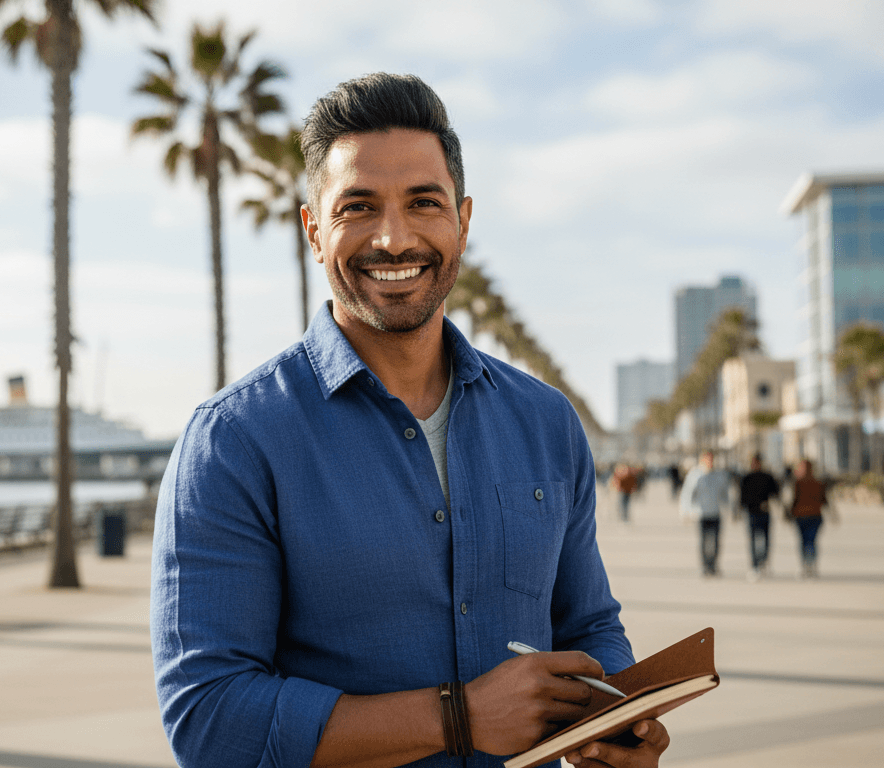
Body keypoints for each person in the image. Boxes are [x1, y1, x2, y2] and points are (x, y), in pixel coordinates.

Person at [151, 73, 669, 768]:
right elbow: (210, 720)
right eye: (357, 208)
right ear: (312, 231)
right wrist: (458, 717)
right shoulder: (233, 442)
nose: (394, 240)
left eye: (424, 203)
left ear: (463, 220)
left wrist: (617, 714)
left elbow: (587, 625)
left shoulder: (546, 422)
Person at [678, 451, 731, 577]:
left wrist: (730, 509)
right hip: (701, 514)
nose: (710, 462)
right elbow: (687, 494)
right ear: (702, 460)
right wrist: (685, 512)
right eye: (707, 459)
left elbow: (725, 494)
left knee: (716, 542)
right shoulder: (695, 475)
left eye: (711, 459)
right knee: (704, 541)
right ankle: (705, 566)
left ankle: (713, 565)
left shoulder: (719, 475)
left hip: (716, 513)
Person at [789, 459, 835, 578]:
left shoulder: (799, 482)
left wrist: (789, 514)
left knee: (805, 542)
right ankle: (810, 565)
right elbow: (824, 500)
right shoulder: (816, 482)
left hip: (806, 516)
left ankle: (807, 565)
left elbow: (794, 500)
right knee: (810, 542)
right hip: (811, 516)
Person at [737, 454, 780, 581]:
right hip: (751, 513)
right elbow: (742, 497)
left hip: (765, 512)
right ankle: (755, 565)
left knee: (766, 540)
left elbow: (776, 493)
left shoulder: (767, 477)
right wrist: (739, 511)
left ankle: (763, 561)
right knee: (753, 541)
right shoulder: (746, 478)